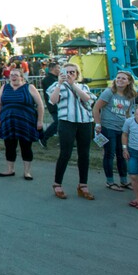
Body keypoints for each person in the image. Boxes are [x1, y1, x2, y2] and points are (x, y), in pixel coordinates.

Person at [48, 62, 96, 200]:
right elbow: (53, 100)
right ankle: (57, 184)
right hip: (66, 121)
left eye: (72, 72)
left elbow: (87, 99)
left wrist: (73, 84)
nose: (69, 75)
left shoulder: (83, 86)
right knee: (65, 153)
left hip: (84, 122)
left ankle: (83, 185)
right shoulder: (57, 86)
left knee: (84, 154)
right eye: (66, 72)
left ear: (77, 74)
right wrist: (59, 84)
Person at [0, 69, 44, 180]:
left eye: (16, 75)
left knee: (26, 146)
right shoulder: (4, 87)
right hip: (8, 122)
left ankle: (27, 172)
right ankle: (10, 170)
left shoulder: (30, 87)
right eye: (11, 75)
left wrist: (40, 121)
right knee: (9, 146)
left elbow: (40, 105)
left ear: (21, 77)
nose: (13, 77)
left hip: (26, 122)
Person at [92, 71, 136, 191]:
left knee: (122, 154)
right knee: (109, 154)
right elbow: (96, 107)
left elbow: (128, 112)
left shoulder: (131, 95)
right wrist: (97, 123)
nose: (120, 80)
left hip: (121, 128)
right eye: (118, 78)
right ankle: (110, 181)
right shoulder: (109, 92)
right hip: (108, 127)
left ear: (129, 82)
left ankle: (123, 180)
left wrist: (129, 126)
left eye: (123, 78)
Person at [40, 62, 61, 148]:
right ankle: (44, 137)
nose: (60, 70)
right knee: (58, 123)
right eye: (58, 68)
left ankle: (64, 140)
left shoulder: (56, 78)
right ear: (52, 68)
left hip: (59, 105)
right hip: (53, 106)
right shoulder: (48, 79)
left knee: (61, 123)